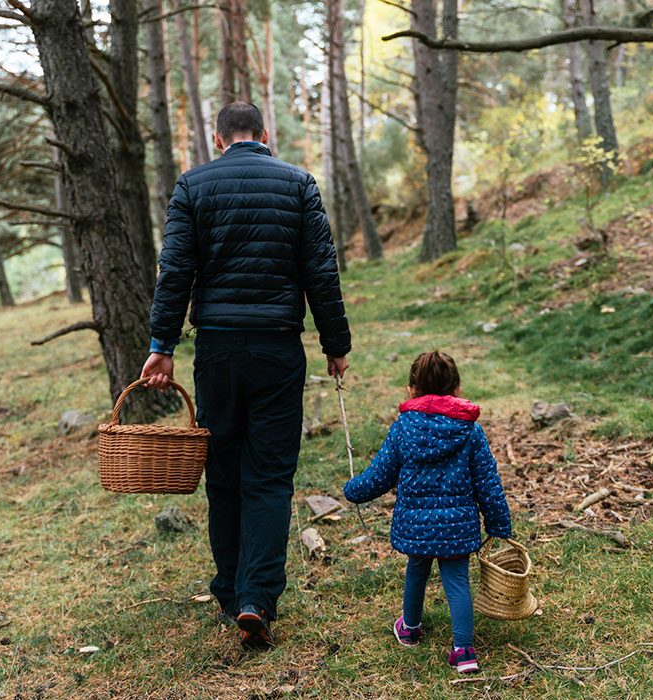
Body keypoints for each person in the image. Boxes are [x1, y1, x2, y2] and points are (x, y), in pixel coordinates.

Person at [140, 102, 351, 648]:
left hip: (217, 351)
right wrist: (336, 345)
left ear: (218, 137)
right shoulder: (298, 183)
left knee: (225, 471)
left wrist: (162, 345)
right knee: (271, 476)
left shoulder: (193, 185)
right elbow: (320, 272)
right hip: (279, 352)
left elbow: (176, 270)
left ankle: (232, 592)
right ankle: (256, 598)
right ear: (266, 134)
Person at [343, 351, 511, 673]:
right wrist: (498, 524)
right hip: (457, 525)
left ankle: (410, 627)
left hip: (416, 524)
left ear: (412, 388)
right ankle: (463, 651)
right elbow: (488, 481)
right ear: (457, 387)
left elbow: (380, 474)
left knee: (417, 569)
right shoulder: (470, 431)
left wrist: (354, 490)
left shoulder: (404, 428)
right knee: (457, 580)